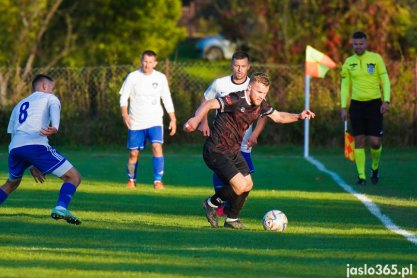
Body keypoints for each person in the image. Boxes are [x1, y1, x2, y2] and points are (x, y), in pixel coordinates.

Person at [184, 72, 315, 229]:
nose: (261, 96)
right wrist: (196, 119)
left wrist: (299, 116)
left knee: (247, 184)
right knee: (239, 186)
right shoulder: (235, 99)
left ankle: (232, 219)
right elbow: (209, 104)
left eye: (265, 93)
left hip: (233, 151)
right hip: (216, 150)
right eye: (259, 92)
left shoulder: (261, 105)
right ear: (250, 87)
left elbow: (279, 117)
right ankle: (211, 203)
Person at [0, 74, 82, 225]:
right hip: (35, 145)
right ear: (45, 86)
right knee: (74, 177)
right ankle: (61, 207)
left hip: (15, 148)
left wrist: (31, 164)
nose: (53, 91)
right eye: (52, 88)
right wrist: (55, 127)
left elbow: (13, 132)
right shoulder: (49, 98)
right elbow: (54, 107)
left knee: (11, 184)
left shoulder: (19, 104)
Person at [199, 50, 267, 217]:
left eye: (243, 66)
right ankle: (219, 208)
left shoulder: (255, 86)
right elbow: (206, 101)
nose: (239, 69)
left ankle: (229, 213)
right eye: (236, 65)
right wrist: (202, 121)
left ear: (248, 67)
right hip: (222, 141)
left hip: (244, 143)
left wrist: (255, 134)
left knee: (245, 184)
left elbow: (265, 113)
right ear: (231, 65)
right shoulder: (220, 84)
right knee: (228, 178)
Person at [120, 50, 176, 190]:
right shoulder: (132, 77)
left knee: (157, 147)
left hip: (155, 121)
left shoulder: (161, 78)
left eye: (150, 62)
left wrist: (173, 119)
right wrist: (125, 114)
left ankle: (158, 181)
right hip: (136, 122)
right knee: (134, 153)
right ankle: (131, 179)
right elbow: (123, 97)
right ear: (141, 61)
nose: (147, 64)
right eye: (145, 61)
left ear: (155, 63)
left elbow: (166, 98)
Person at [340, 31, 390, 186]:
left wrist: (386, 101)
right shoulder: (349, 62)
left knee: (375, 142)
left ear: (366, 43)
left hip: (374, 104)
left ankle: (374, 167)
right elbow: (345, 85)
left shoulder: (376, 59)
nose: (358, 46)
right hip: (356, 105)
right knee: (359, 140)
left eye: (361, 43)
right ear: (352, 44)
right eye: (355, 44)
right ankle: (361, 177)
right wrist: (343, 106)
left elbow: (385, 79)